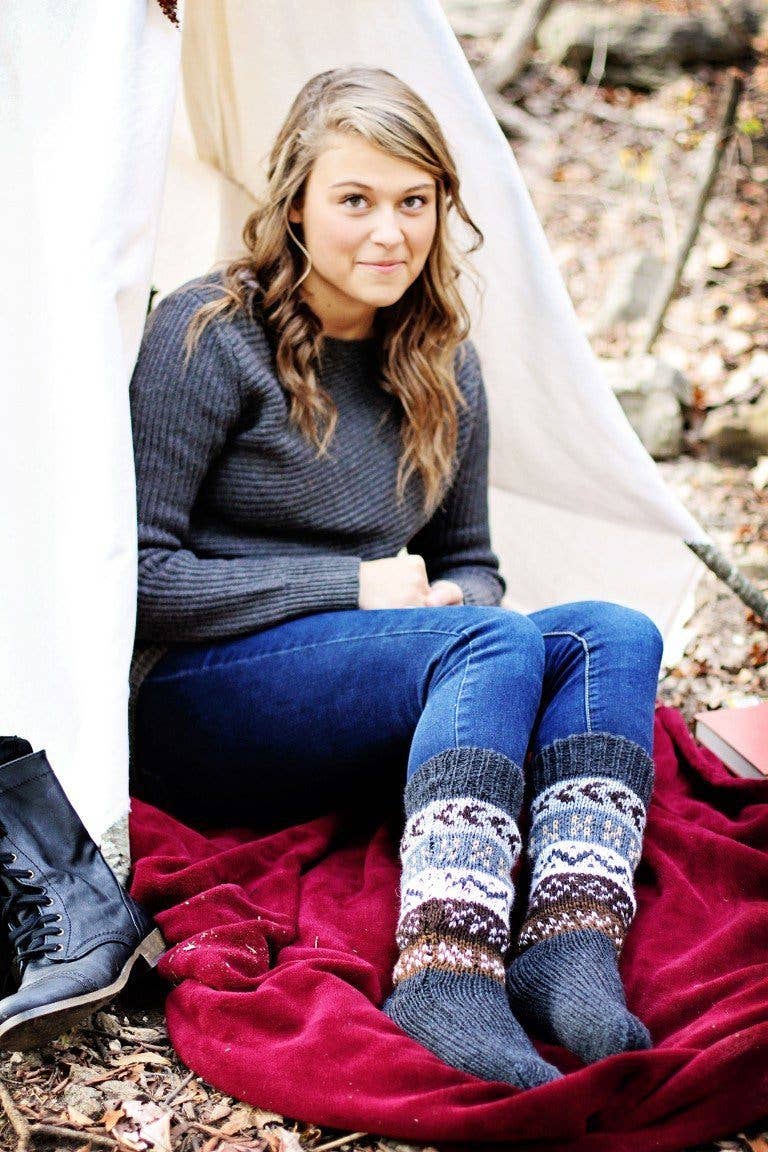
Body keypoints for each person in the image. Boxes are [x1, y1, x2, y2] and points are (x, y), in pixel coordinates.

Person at [129, 65, 664, 1090]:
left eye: (414, 202)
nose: (390, 233)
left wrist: (453, 602)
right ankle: (445, 971)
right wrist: (354, 588)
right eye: (356, 200)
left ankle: (568, 944)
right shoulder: (209, 335)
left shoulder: (441, 363)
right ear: (294, 205)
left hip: (359, 689)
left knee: (615, 633)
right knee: (491, 643)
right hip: (192, 703)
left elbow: (472, 565)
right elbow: (141, 578)